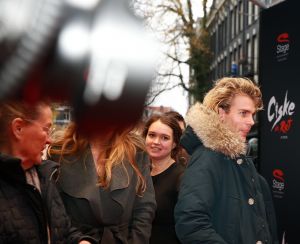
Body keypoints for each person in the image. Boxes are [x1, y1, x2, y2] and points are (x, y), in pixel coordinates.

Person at [174, 77, 279, 244]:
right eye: (243, 113)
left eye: (252, 114)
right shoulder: (207, 158)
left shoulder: (238, 157)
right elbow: (191, 223)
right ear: (221, 113)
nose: (251, 121)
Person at [0, 100, 94, 243]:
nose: (50, 140)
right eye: (46, 129)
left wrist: (80, 241)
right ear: (18, 128)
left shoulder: (45, 175)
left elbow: (62, 230)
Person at [48, 122, 156, 244]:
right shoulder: (59, 152)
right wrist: (76, 239)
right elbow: (55, 210)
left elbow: (144, 209)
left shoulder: (137, 152)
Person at [142, 114, 185, 244]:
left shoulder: (182, 178)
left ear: (174, 144)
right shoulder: (136, 173)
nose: (156, 142)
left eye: (165, 138)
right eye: (152, 135)